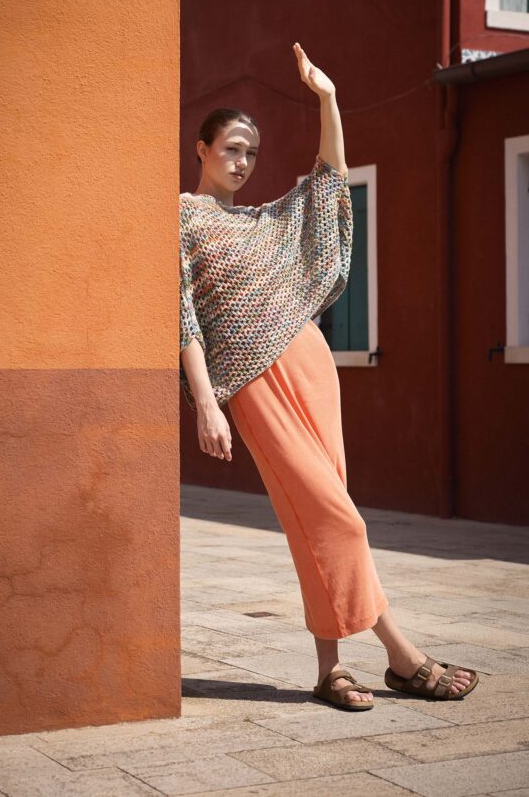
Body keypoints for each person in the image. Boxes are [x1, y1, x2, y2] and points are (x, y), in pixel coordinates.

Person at [179, 42, 479, 711]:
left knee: (317, 521)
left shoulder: (264, 220)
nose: (242, 162)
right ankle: (403, 657)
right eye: (231, 148)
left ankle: (329, 669)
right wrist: (205, 402)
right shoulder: (182, 221)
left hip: (313, 372)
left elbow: (328, 182)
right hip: (255, 387)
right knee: (340, 522)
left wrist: (329, 98)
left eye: (251, 153)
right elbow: (183, 320)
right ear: (202, 149)